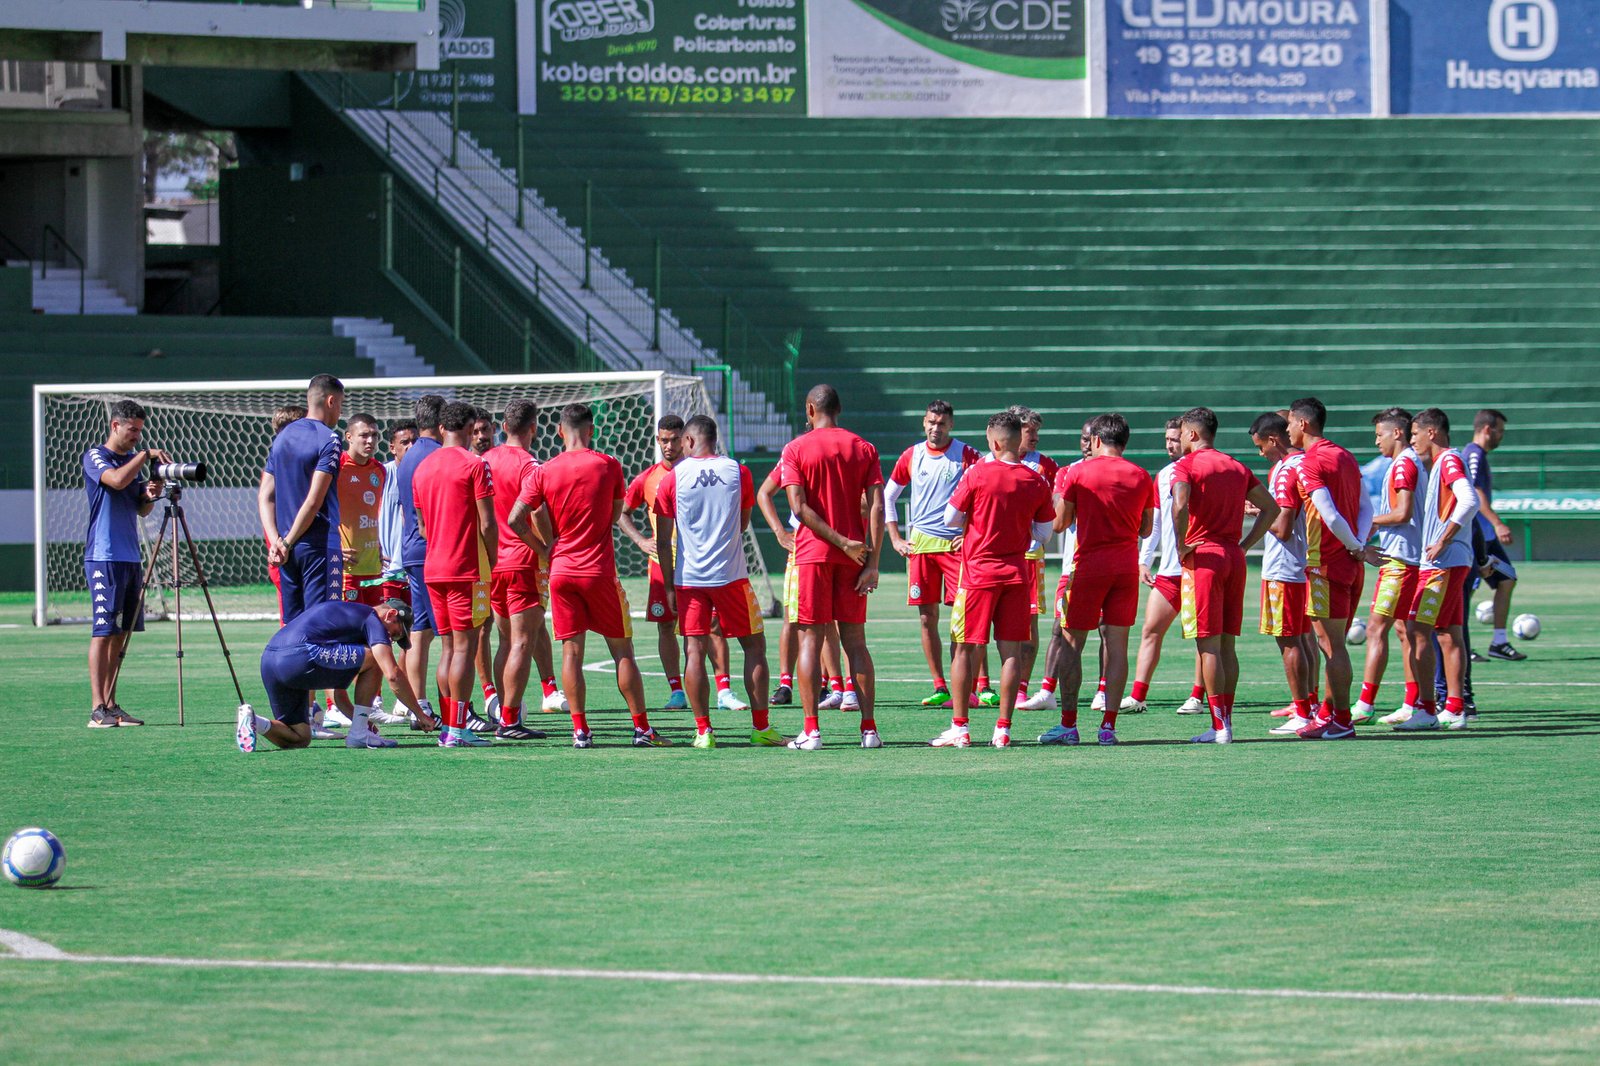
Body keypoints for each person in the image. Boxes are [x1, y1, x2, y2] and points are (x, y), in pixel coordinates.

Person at [511, 402, 667, 748]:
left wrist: (544, 549)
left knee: (571, 653)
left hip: (561, 571)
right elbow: (613, 515)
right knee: (622, 651)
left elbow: (514, 519)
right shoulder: (608, 465)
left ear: (559, 431)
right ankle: (642, 729)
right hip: (598, 570)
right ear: (592, 430)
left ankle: (580, 731)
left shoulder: (544, 471)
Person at [652, 415, 783, 747]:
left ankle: (703, 731)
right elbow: (741, 523)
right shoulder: (739, 472)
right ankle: (761, 727)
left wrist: (668, 586)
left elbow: (664, 538)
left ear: (691, 441)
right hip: (731, 576)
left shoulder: (672, 479)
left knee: (694, 651)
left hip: (689, 579)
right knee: (754, 647)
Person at [929, 411, 1054, 749]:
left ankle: (961, 728)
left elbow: (950, 518)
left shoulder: (977, 473)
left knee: (965, 649)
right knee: (1010, 652)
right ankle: (1003, 729)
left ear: (995, 441)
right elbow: (1043, 533)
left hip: (978, 574)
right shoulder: (1036, 480)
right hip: (1016, 574)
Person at [1039, 412, 1156, 746]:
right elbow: (1146, 529)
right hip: (1125, 568)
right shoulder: (1141, 475)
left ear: (1096, 440)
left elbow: (1059, 524)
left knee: (1072, 643)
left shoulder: (1078, 472)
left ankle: (1068, 725)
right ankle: (1108, 726)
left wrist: (1061, 494)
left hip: (1088, 566)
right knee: (1117, 646)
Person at [781, 383, 885, 751]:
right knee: (856, 641)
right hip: (855, 559)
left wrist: (838, 541)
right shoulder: (863, 447)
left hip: (814, 555)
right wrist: (872, 561)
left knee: (811, 639)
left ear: (811, 409)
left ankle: (812, 731)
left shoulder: (796, 448)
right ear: (839, 409)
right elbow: (876, 507)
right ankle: (869, 730)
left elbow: (798, 509)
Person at [620, 415, 744, 714]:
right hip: (663, 565)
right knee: (666, 628)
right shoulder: (648, 478)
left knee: (712, 626)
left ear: (685, 439)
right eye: (663, 440)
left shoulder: (703, 472)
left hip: (699, 565)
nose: (669, 446)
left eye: (674, 439)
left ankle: (724, 690)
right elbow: (621, 512)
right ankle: (677, 691)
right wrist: (640, 540)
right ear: (657, 441)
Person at [1171, 407, 1279, 744]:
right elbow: (1272, 508)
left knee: (1208, 646)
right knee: (1227, 645)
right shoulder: (1236, 466)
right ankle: (1225, 722)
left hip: (1204, 557)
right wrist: (1245, 544)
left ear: (1191, 434)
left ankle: (1220, 728)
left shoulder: (1186, 466)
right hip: (1234, 555)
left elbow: (1179, 504)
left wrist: (1180, 545)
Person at [1285, 396, 1372, 740]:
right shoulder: (1345, 456)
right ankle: (1328, 714)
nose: (1288, 429)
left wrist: (1355, 547)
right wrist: (1359, 546)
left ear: (1303, 424)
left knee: (1331, 645)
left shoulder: (1309, 461)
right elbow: (1366, 506)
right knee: (1331, 643)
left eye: (1290, 423)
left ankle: (1341, 720)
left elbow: (1328, 513)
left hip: (1326, 563)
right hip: (1349, 562)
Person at [413, 401, 498, 748]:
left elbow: (421, 527)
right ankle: (458, 730)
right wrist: (492, 563)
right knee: (465, 647)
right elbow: (488, 522)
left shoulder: (422, 467)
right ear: (466, 427)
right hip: (466, 568)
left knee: (448, 648)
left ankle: (450, 725)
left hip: (433, 567)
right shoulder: (475, 465)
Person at [884, 399, 979, 709]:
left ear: (951, 425)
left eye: (941, 423)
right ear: (923, 423)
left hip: (954, 547)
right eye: (930, 422)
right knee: (927, 619)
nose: (935, 428)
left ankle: (969, 687)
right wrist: (896, 537)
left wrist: (967, 535)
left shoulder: (966, 455)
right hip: (922, 546)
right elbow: (888, 496)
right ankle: (940, 685)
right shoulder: (912, 455)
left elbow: (983, 494)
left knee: (961, 619)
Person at [83, 399, 170, 728]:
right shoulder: (97, 456)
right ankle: (96, 708)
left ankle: (112, 705)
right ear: (115, 425)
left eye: (140, 431)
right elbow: (116, 481)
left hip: (130, 556)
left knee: (121, 634)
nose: (137, 436)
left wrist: (150, 494)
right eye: (132, 429)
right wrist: (144, 457)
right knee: (103, 632)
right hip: (103, 556)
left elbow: (141, 509)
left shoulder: (129, 461)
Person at [239, 598, 420, 752]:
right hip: (299, 656)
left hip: (269, 661)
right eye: (394, 634)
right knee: (375, 657)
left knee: (300, 737)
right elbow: (393, 675)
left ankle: (254, 721)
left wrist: (359, 721)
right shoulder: (371, 618)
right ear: (391, 615)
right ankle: (359, 736)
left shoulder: (345, 622)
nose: (389, 639)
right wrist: (421, 715)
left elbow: (337, 691)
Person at [1394, 408, 1478, 731]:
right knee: (1449, 634)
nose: (1411, 439)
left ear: (1431, 433)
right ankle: (1454, 708)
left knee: (1417, 630)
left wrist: (1443, 539)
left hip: (1442, 563)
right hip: (1453, 560)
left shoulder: (1448, 461)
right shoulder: (1442, 463)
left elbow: (1468, 500)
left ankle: (1426, 709)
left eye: (1414, 433)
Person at [1119, 419, 1207, 716]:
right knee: (1150, 630)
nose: (1171, 444)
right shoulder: (1165, 475)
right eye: (1167, 439)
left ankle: (1197, 696)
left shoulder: (1205, 468)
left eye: (1175, 438)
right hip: (1169, 571)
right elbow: (1155, 522)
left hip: (1197, 568)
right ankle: (1138, 696)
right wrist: (1145, 558)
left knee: (1203, 636)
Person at [481, 398, 554, 741]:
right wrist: (547, 548)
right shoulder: (531, 465)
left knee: (505, 641)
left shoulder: (484, 459)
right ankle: (510, 721)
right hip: (523, 562)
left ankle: (502, 712)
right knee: (524, 642)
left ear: (503, 426)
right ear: (533, 429)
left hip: (492, 562)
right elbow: (535, 513)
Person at [1248, 412, 1319, 737]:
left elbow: (1282, 525)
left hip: (1284, 567)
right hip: (1302, 564)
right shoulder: (1304, 463)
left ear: (1273, 440)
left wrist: (1260, 512)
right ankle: (1311, 704)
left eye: (1260, 446)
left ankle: (1302, 711)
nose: (1260, 452)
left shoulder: (1284, 469)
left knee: (1288, 639)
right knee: (1302, 638)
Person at [756, 463, 848, 707]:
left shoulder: (844, 452)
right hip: (804, 549)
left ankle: (834, 687)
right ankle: (786, 683)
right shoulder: (795, 455)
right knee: (793, 619)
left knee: (831, 621)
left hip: (835, 546)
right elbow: (764, 492)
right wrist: (779, 532)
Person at [1355, 408, 1426, 726]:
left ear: (1396, 433)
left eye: (1379, 434)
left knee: (1375, 629)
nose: (1376, 441)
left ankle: (1365, 704)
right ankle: (1412, 703)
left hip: (1400, 561)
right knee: (1403, 631)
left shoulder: (1402, 465)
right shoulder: (1406, 463)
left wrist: (1367, 522)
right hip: (1406, 558)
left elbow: (1402, 514)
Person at [258, 375, 344, 623]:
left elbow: (265, 495)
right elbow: (313, 501)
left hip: (287, 549)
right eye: (340, 404)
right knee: (322, 624)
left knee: (292, 627)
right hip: (318, 544)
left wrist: (277, 541)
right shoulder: (329, 439)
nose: (340, 411)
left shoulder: (282, 437)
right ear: (330, 401)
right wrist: (287, 541)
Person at [396, 395, 446, 729]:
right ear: (442, 423)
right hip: (435, 551)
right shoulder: (439, 456)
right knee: (454, 635)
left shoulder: (408, 456)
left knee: (421, 630)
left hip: (412, 550)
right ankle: (458, 710)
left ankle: (420, 708)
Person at [1008, 405, 1059, 707]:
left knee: (1028, 624)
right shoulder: (988, 462)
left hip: (1029, 557)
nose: (1035, 436)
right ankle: (984, 686)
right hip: (995, 555)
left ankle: (1022, 688)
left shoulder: (1046, 466)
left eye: (1038, 431)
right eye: (1030, 430)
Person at [1464, 409, 1525, 661]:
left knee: (1506, 580)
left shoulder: (1479, 454)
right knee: (1465, 590)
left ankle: (1498, 642)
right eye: (1500, 431)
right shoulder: (1474, 454)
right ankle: (1463, 645)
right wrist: (1498, 523)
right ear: (1487, 429)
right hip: (1476, 537)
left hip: (1486, 537)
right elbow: (1475, 492)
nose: (1501, 436)